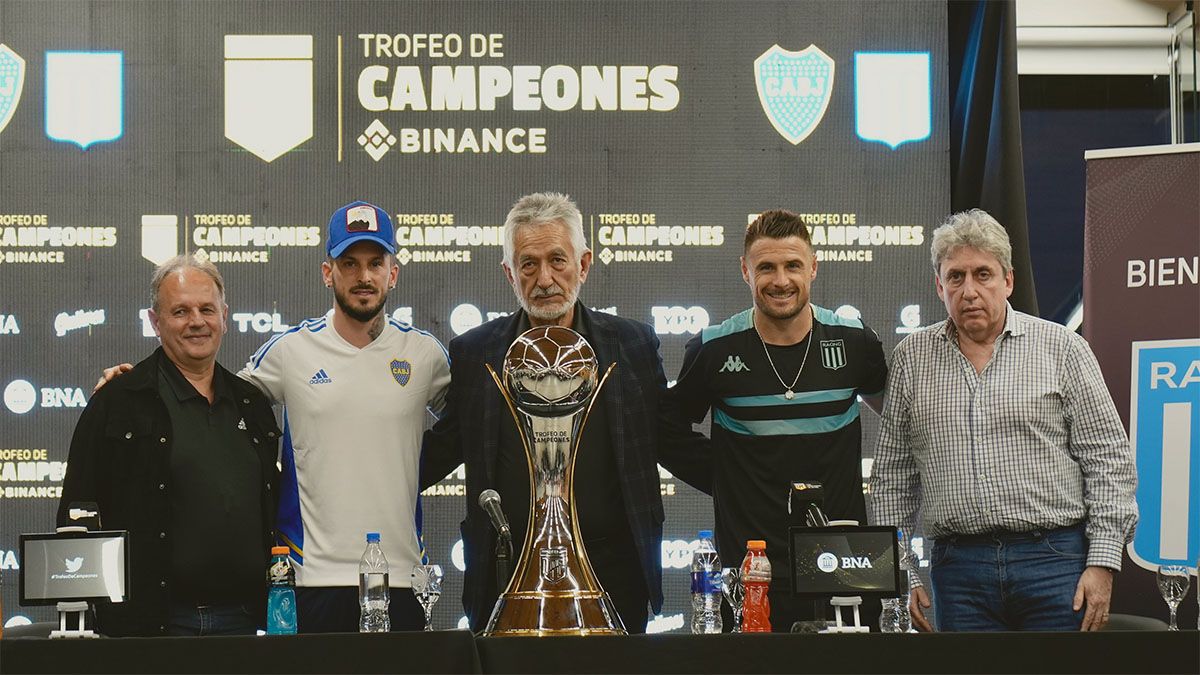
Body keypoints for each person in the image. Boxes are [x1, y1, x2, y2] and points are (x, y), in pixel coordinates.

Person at [95, 201, 451, 633]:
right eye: (349, 263)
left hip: (400, 575)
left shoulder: (426, 354)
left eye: (376, 263)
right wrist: (136, 386)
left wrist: (417, 467)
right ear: (327, 272)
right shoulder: (289, 351)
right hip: (309, 577)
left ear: (393, 272)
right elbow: (209, 393)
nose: (363, 276)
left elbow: (473, 428)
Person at [420, 192, 708, 633]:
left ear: (584, 264)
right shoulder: (474, 352)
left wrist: (755, 482)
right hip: (505, 573)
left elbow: (670, 442)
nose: (545, 278)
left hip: (613, 573)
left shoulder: (631, 345)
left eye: (558, 259)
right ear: (509, 273)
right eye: (528, 264)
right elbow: (441, 450)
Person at [869, 208, 1137, 632]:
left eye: (983, 274)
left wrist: (1103, 562)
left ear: (1007, 280)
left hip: (1055, 560)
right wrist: (902, 572)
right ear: (940, 286)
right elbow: (892, 479)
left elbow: (1109, 462)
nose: (969, 290)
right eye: (956, 277)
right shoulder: (911, 359)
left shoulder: (1062, 348)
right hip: (958, 571)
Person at [664, 209, 887, 631]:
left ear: (814, 268)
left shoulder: (855, 341)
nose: (780, 280)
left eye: (793, 266)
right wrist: (726, 477)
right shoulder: (713, 349)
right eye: (766, 267)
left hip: (845, 559)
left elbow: (897, 421)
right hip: (751, 566)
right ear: (745, 271)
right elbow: (666, 433)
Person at [59, 256, 281, 636]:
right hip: (152, 627)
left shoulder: (253, 403)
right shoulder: (118, 401)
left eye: (207, 309)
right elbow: (76, 514)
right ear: (154, 321)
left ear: (225, 317)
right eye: (180, 311)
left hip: (243, 622)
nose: (196, 321)